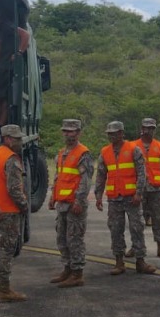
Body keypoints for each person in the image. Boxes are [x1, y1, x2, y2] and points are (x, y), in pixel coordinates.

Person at [95, 121, 153, 275]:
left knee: (137, 228)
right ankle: (119, 262)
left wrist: (139, 193)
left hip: (131, 198)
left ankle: (140, 261)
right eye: (109, 133)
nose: (111, 136)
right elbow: (101, 175)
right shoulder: (105, 152)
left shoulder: (134, 149)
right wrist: (98, 196)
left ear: (121, 133)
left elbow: (142, 173)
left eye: (114, 133)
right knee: (115, 229)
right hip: (114, 199)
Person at [0, 124, 30, 301]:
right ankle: (4, 290)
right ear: (8, 139)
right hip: (8, 211)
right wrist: (24, 206)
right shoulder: (11, 158)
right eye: (17, 139)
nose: (20, 142)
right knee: (6, 252)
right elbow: (14, 189)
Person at [48, 119, 93, 288]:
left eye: (72, 131)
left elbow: (85, 180)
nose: (68, 134)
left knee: (75, 239)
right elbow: (58, 177)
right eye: (66, 131)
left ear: (78, 133)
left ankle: (77, 273)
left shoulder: (83, 153)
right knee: (62, 238)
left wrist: (79, 200)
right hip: (62, 203)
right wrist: (53, 196)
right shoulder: (61, 153)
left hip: (75, 204)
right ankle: (67, 268)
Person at [126, 117, 160, 260]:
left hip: (156, 190)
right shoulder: (132, 146)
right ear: (142, 129)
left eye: (152, 128)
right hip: (138, 190)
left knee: (157, 219)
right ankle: (135, 246)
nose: (149, 130)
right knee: (137, 220)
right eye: (147, 128)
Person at [0, 17, 31, 128]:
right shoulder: (4, 31)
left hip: (4, 68)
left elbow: (25, 35)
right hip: (6, 67)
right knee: (4, 101)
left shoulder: (6, 25)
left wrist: (18, 53)